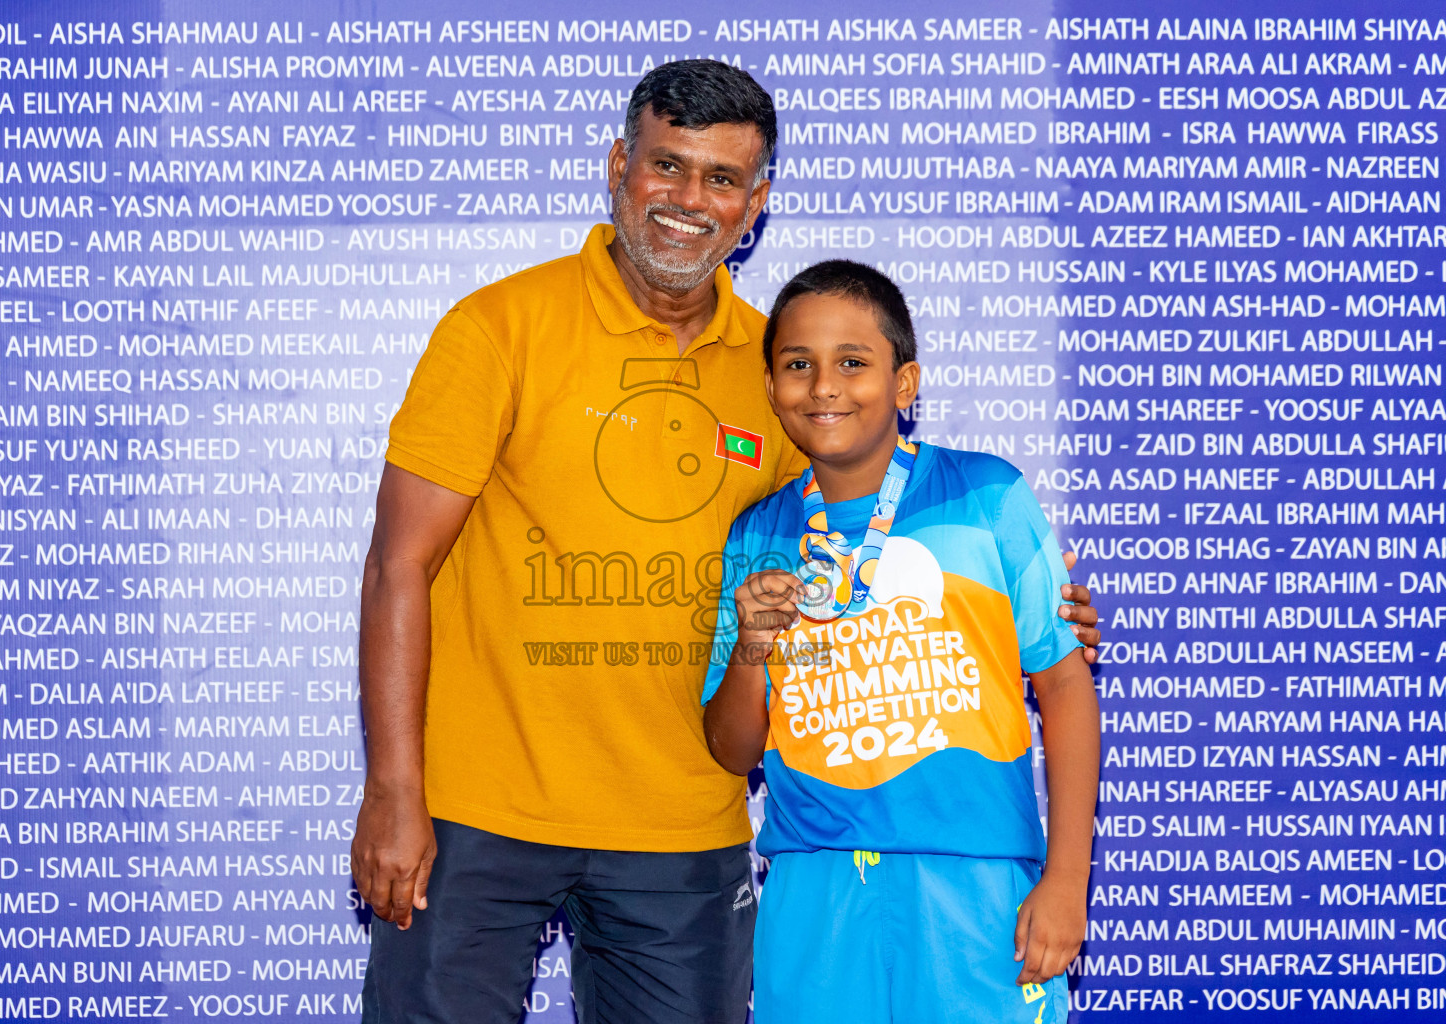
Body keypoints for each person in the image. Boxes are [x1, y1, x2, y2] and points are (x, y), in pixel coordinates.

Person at [353, 61, 1100, 1024]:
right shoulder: (499, 328)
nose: (688, 200)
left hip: (684, 828)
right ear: (621, 165)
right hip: (477, 816)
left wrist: (1035, 602)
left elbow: (865, 532)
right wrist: (394, 790)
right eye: (668, 166)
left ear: (757, 203)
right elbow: (397, 564)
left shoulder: (778, 370)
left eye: (720, 178)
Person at [702, 261, 1099, 1024]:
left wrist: (1066, 880)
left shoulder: (988, 495)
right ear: (772, 387)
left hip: (977, 891)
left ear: (905, 382)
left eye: (854, 362)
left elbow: (1067, 690)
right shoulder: (759, 533)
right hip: (813, 896)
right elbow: (731, 750)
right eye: (797, 365)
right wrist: (751, 645)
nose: (824, 387)